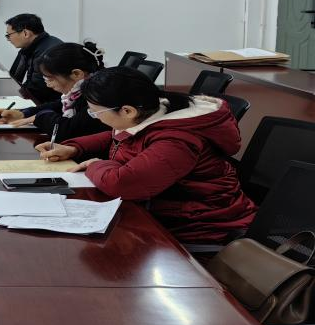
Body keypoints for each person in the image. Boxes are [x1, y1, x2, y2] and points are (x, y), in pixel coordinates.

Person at [36, 67, 256, 243]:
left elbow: (122, 183)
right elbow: (120, 136)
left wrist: (95, 164)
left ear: (127, 111)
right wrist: (75, 148)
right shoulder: (152, 111)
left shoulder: (176, 141)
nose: (95, 117)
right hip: (159, 209)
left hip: (200, 223)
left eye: (95, 112)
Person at [0, 41, 108, 141]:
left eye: (50, 78)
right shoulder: (79, 92)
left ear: (76, 74)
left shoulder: (98, 96)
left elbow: (67, 130)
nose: (47, 83)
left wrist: (38, 118)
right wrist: (23, 114)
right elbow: (57, 105)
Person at [5, 13, 62, 103]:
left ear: (25, 33)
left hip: (51, 104)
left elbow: (37, 90)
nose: (8, 39)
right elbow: (15, 78)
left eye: (9, 35)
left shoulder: (46, 53)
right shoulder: (32, 46)